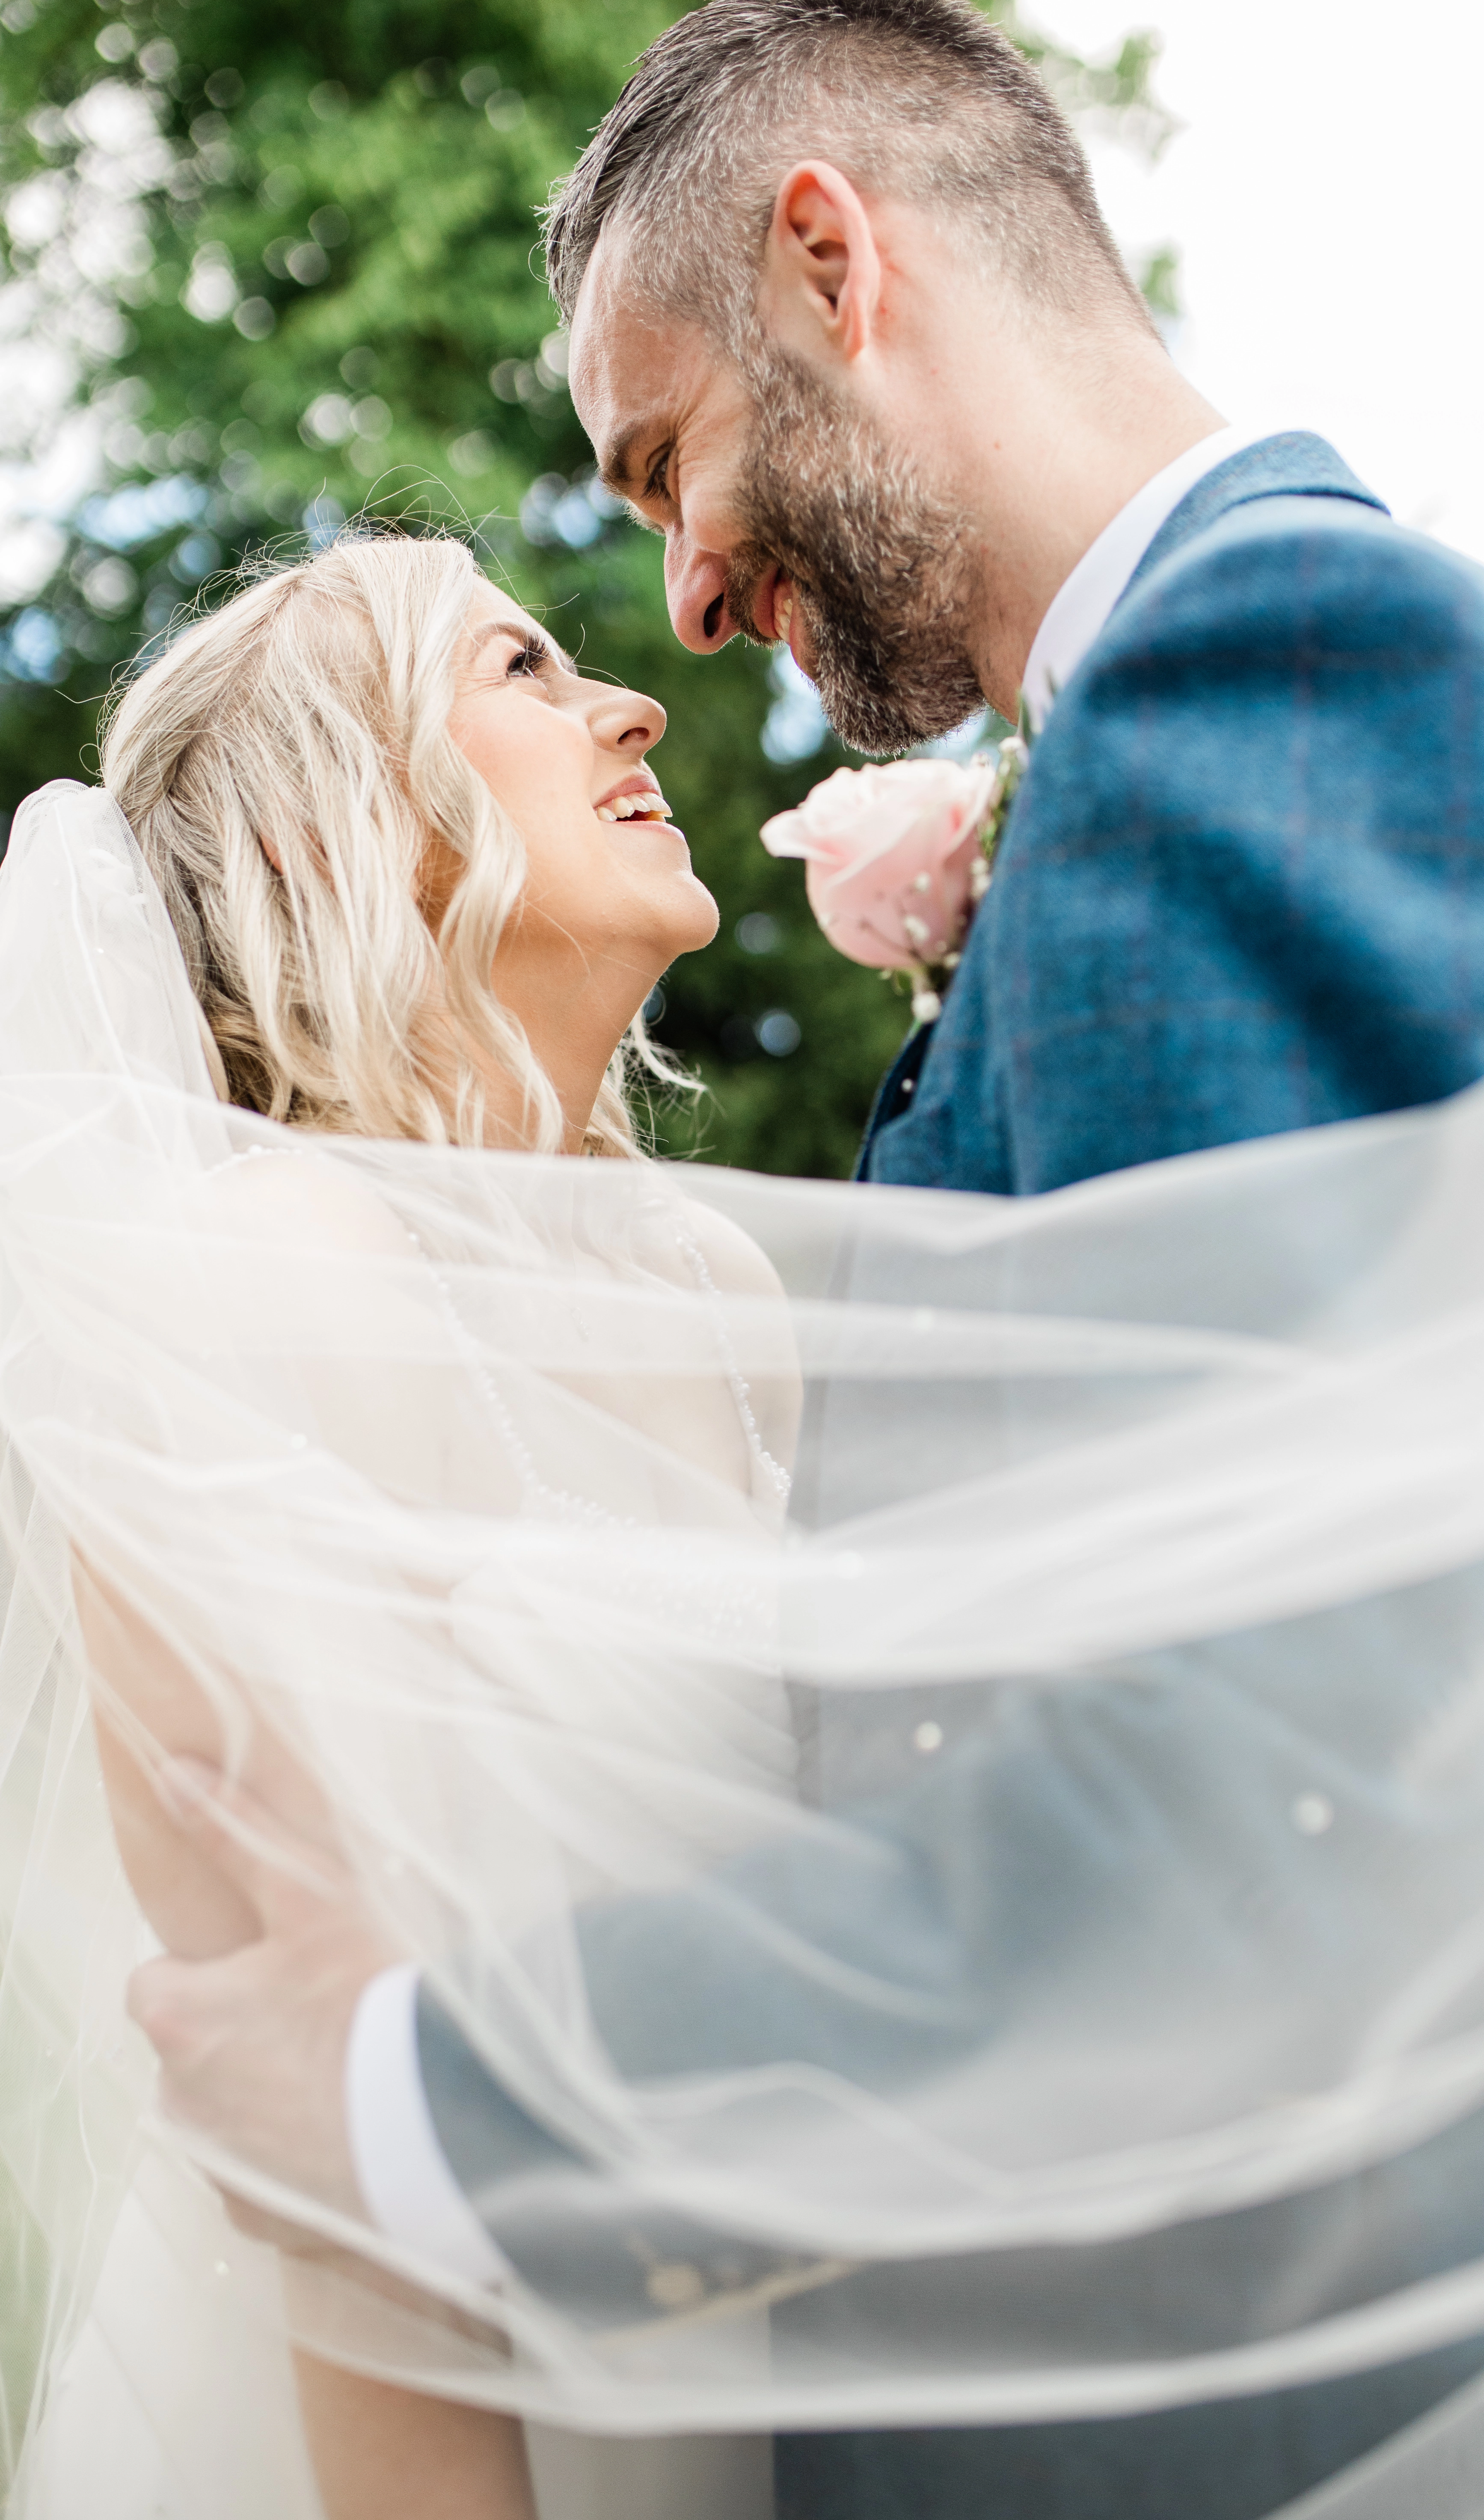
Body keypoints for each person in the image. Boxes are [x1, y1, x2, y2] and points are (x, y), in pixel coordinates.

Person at [46, 0, 1484, 2514]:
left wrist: (402, 2096)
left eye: (664, 462)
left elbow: (1258, 1805)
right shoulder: (1202, 744)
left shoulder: (1266, 688)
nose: (680, 606)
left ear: (831, 261)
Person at [0, 529, 799, 2520]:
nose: (628, 705)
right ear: (316, 840)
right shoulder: (262, 1270)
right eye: (518, 671)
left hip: (723, 2368)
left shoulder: (713, 1285)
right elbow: (312, 2134)